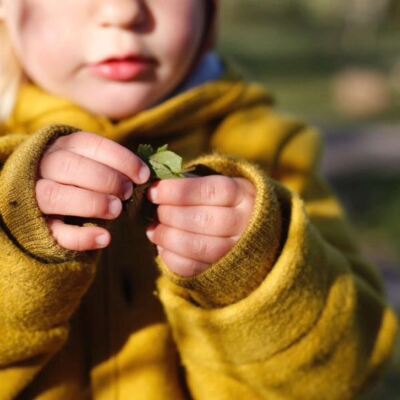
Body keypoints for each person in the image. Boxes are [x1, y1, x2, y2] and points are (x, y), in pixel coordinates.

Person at [0, 1, 397, 399]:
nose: (122, 12)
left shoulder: (270, 150)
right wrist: (13, 234)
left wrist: (259, 270)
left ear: (209, 12)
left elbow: (344, 371)